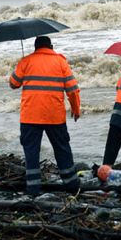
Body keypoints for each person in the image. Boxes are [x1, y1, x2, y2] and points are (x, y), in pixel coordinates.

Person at [9, 35, 81, 195]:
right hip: (54, 115)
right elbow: (73, 89)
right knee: (62, 148)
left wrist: (21, 65)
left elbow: (13, 83)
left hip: (30, 116)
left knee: (31, 151)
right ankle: (71, 186)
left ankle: (33, 189)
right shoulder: (61, 62)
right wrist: (75, 109)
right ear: (51, 46)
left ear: (35, 47)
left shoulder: (26, 61)